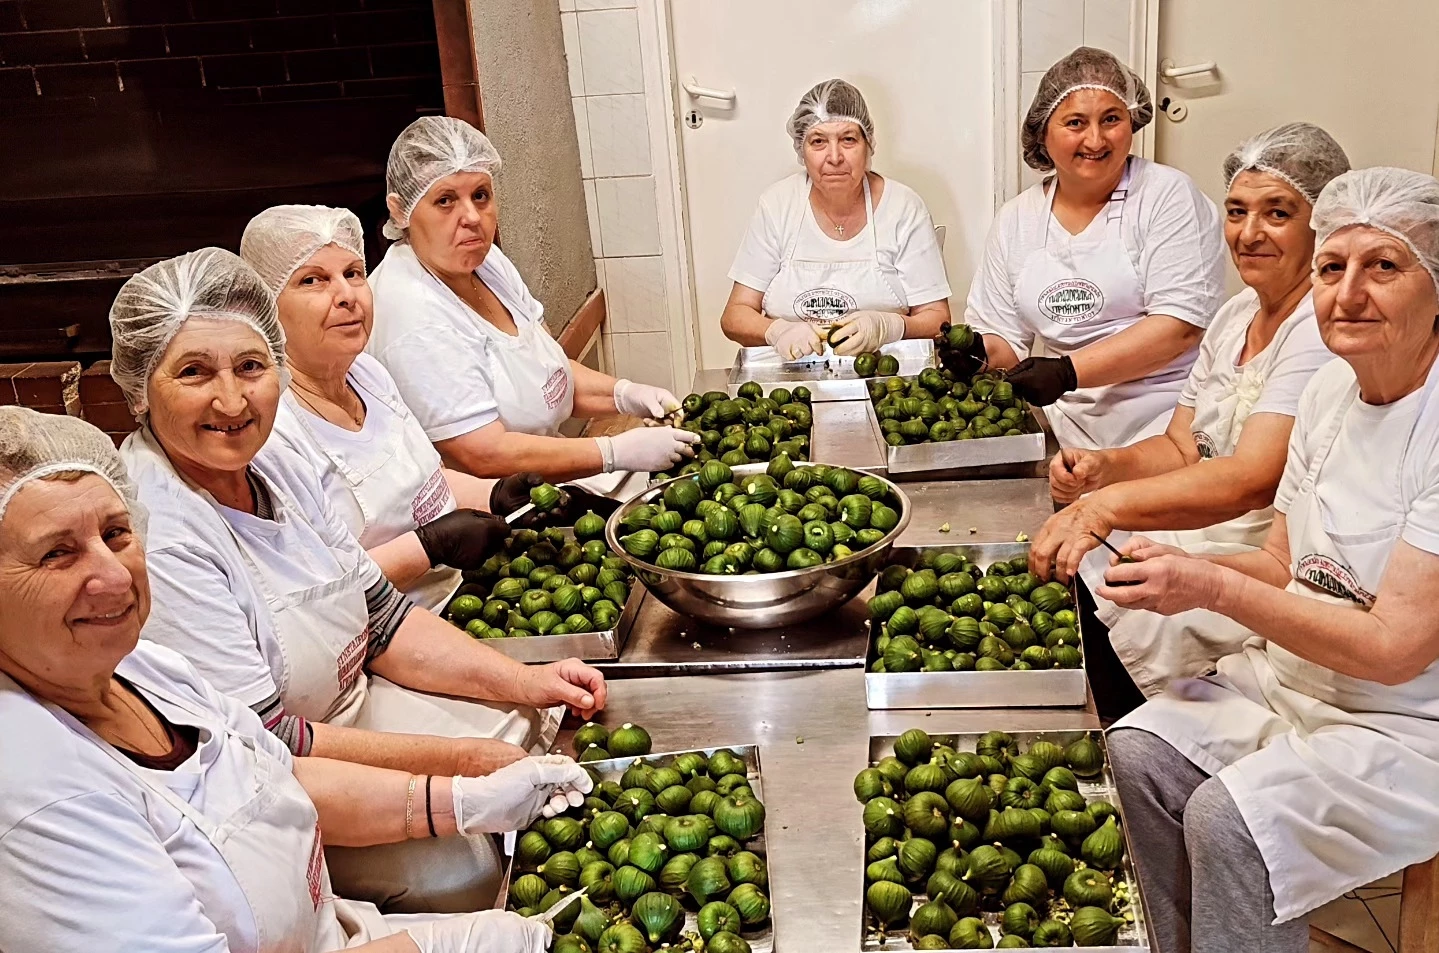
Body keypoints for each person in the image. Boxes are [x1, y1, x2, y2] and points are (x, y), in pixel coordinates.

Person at [109, 247, 608, 912]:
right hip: (274, 782)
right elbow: (270, 744)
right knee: (460, 865)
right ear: (141, 389)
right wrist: (456, 765)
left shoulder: (275, 459)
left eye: (251, 366)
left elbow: (382, 618)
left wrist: (527, 679)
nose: (230, 399)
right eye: (194, 373)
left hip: (351, 703)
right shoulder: (161, 530)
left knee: (529, 731)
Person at [0, 405, 587, 953]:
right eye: (56, 554)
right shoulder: (38, 793)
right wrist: (438, 945)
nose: (114, 575)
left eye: (116, 534)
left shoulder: (146, 671)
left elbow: (275, 774)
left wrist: (459, 803)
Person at [1099, 167, 1439, 953]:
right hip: (1292, 681)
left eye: (1382, 267)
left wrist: (1210, 582)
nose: (1346, 293)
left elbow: (1394, 649)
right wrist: (1172, 578)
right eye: (1330, 267)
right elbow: (1283, 565)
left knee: (1231, 824)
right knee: (1136, 753)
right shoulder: (1327, 390)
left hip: (1405, 725)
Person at [1028, 123, 1349, 714]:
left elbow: (1252, 479)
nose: (1249, 234)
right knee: (1090, 589)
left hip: (1261, 560)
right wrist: (1105, 468)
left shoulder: (1318, 329)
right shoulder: (1235, 316)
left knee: (1120, 611)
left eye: (1277, 213)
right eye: (1236, 211)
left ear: (1321, 223)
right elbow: (1182, 448)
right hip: (1195, 529)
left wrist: (1103, 506)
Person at [241, 204, 613, 614]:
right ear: (265, 306)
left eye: (353, 274)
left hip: (460, 598)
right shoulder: (272, 432)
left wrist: (496, 494)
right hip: (381, 635)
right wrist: (429, 546)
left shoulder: (368, 376)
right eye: (313, 280)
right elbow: (318, 595)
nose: (346, 296)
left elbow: (426, 484)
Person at [367, 116, 696, 492]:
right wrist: (611, 451)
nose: (472, 217)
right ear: (400, 210)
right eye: (445, 201)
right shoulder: (413, 315)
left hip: (545, 481)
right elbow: (483, 454)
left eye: (480, 195)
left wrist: (624, 394)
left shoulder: (484, 263)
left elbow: (546, 370)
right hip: (494, 514)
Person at [950, 47, 1225, 450]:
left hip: (1170, 417)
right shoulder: (1017, 220)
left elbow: (1179, 327)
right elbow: (1004, 339)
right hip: (1069, 423)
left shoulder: (1168, 196)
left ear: (1132, 120)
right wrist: (976, 353)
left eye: (1111, 119)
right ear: (1043, 132)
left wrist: (1067, 372)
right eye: (1075, 122)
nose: (1095, 140)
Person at [720, 78, 953, 360]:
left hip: (887, 382)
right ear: (801, 150)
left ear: (868, 145)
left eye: (848, 139)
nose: (834, 157)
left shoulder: (903, 208)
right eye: (818, 141)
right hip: (789, 382)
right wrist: (778, 331)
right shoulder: (778, 205)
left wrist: (889, 326)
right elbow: (735, 315)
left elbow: (938, 319)